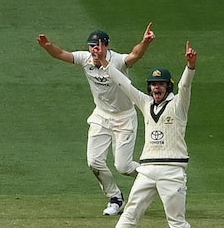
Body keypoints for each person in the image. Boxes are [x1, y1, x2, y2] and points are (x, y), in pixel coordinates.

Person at [94, 41, 202, 228]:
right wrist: (103, 62)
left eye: (161, 84)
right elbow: (124, 84)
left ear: (168, 86)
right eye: (153, 84)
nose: (156, 88)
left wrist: (190, 66)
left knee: (176, 221)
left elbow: (186, 86)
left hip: (172, 170)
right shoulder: (144, 103)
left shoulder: (178, 105)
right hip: (147, 169)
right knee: (129, 215)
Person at [37, 24, 155, 216]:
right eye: (91, 46)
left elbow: (134, 56)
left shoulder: (116, 61)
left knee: (124, 167)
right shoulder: (86, 59)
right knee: (94, 162)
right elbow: (61, 54)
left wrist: (145, 42)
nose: (94, 49)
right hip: (101, 116)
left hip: (124, 117)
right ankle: (116, 198)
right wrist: (48, 46)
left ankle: (155, 176)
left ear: (106, 46)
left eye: (97, 46)